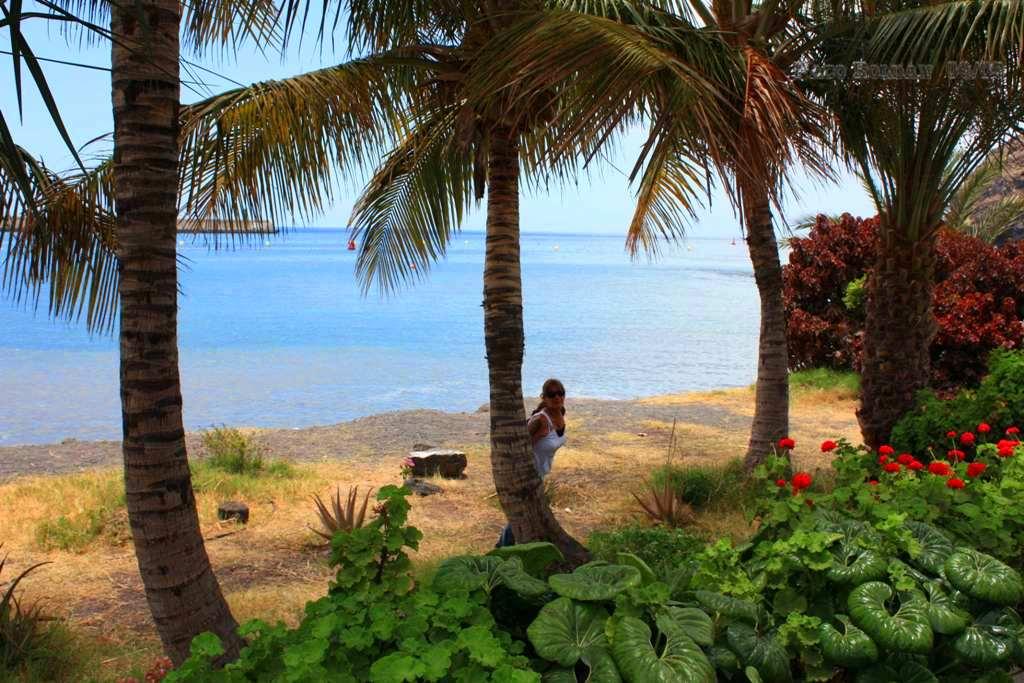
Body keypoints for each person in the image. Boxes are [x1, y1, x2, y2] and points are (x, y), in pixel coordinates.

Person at [496, 378, 567, 547]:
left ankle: (510, 546)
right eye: (551, 394)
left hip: (540, 473)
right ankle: (502, 548)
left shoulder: (560, 413)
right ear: (543, 397)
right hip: (527, 475)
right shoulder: (540, 420)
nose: (557, 397)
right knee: (522, 513)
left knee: (530, 512)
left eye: (560, 393)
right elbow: (518, 447)